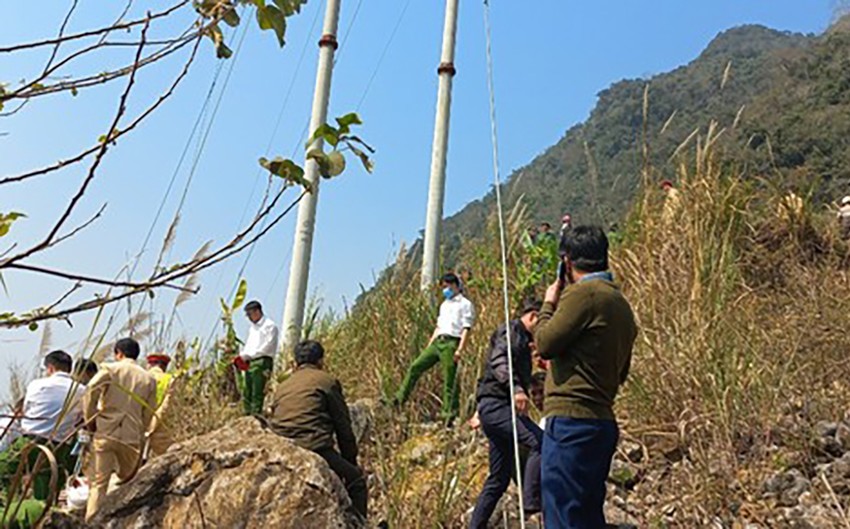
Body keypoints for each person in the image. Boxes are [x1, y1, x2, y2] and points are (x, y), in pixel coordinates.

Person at [535, 226, 638, 529]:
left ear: (566, 262)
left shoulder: (584, 294)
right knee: (586, 516)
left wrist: (548, 303)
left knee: (562, 517)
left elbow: (544, 342)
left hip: (570, 424)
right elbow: (620, 372)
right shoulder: (620, 304)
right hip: (600, 424)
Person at [269, 340, 367, 521]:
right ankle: (359, 524)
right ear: (321, 361)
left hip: (282, 451)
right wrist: (350, 461)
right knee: (357, 482)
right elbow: (343, 427)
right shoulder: (327, 381)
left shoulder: (282, 387)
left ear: (295, 363)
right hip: (315, 448)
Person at [470, 301, 543, 528]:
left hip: (494, 408)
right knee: (540, 441)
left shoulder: (523, 339)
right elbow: (499, 361)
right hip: (498, 406)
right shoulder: (511, 332)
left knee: (499, 478)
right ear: (533, 316)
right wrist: (517, 389)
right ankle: (531, 501)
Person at [83, 338, 157, 522]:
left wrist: (90, 419)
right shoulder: (148, 378)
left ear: (118, 353)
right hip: (131, 436)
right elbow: (149, 411)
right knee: (128, 482)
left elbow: (91, 389)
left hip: (106, 431)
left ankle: (91, 523)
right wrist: (140, 429)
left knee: (98, 484)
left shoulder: (110, 370)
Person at [0, 350, 84, 500]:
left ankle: (7, 502)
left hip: (30, 441)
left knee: (4, 467)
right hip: (59, 447)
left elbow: (27, 409)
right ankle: (44, 509)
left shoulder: (37, 385)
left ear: (50, 368)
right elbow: (80, 418)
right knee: (47, 484)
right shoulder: (81, 390)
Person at [394, 273, 474, 422]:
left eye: (446, 286)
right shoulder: (444, 305)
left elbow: (466, 328)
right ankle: (399, 398)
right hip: (438, 341)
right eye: (443, 287)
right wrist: (430, 345)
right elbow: (438, 327)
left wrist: (460, 349)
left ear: (455, 285)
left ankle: (449, 414)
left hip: (451, 342)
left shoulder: (465, 304)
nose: (445, 290)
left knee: (449, 379)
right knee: (416, 366)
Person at [239, 300, 279, 415]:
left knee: (258, 390)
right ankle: (247, 414)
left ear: (257, 312)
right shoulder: (252, 328)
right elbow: (249, 344)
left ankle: (256, 415)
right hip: (249, 361)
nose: (249, 318)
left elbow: (268, 346)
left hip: (262, 360)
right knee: (247, 390)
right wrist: (243, 355)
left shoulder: (269, 326)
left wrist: (251, 355)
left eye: (250, 314)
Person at [145, 353, 175, 458]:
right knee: (165, 457)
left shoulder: (141, 376)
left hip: (138, 423)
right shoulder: (170, 379)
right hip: (159, 424)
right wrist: (153, 424)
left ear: (150, 364)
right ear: (164, 366)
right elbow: (166, 406)